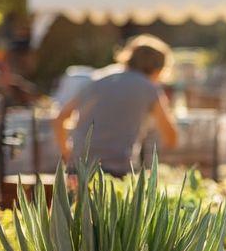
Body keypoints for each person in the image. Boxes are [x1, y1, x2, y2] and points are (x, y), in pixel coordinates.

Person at [54, 35, 179, 176]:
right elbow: (171, 137)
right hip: (118, 169)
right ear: (159, 69)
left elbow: (61, 117)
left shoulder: (97, 79)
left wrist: (66, 152)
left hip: (79, 166)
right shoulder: (148, 88)